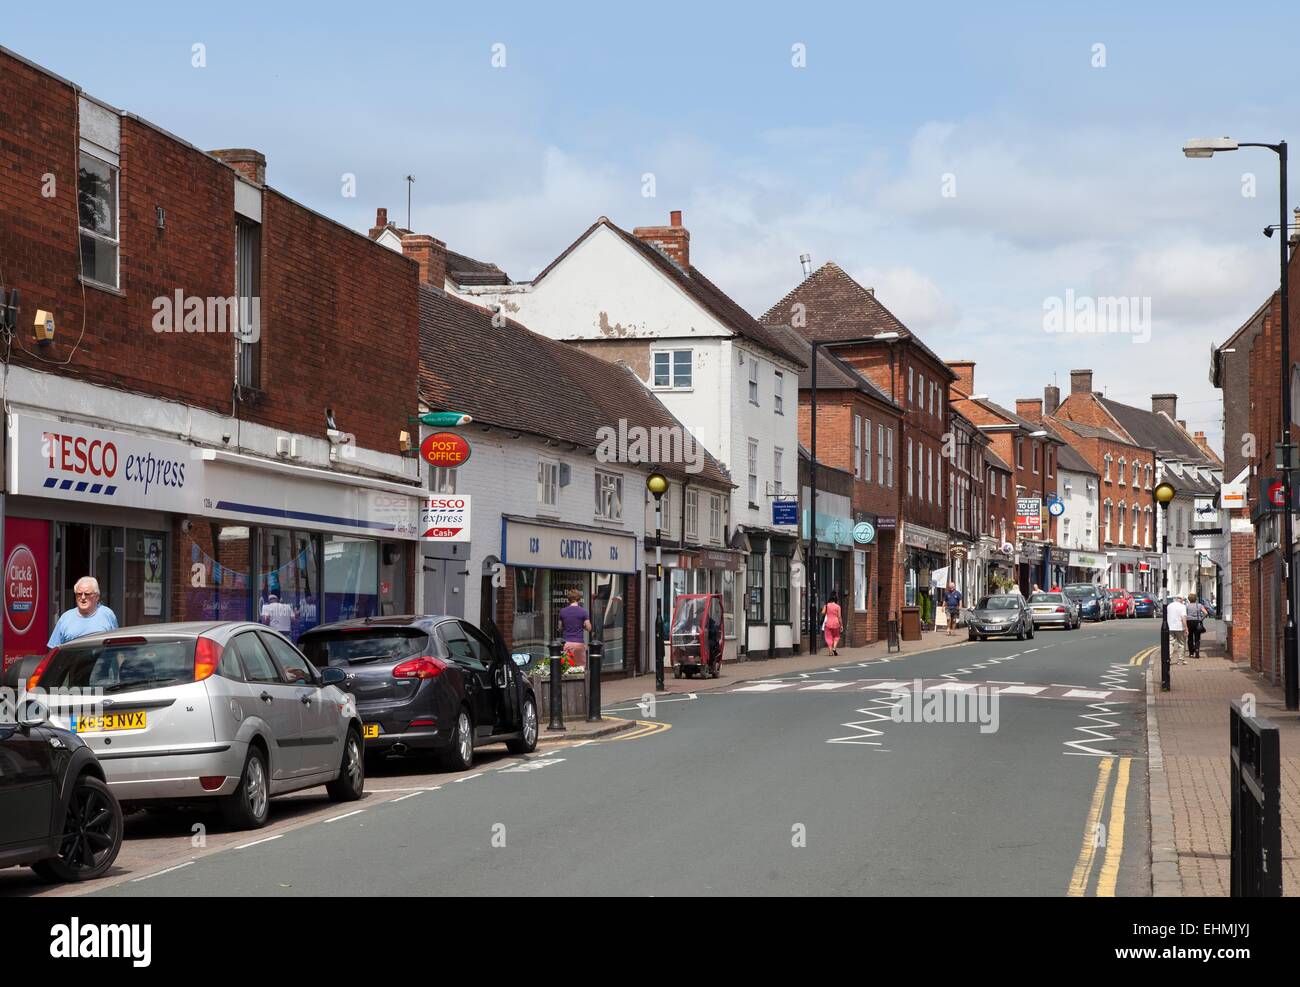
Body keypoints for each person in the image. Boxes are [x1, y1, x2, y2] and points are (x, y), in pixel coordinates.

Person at [47, 576, 119, 647]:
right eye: (79, 594)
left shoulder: (107, 614)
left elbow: (116, 645)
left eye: (87, 594)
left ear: (97, 597)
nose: (83, 597)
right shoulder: (66, 618)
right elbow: (54, 648)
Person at [558, 589, 592, 670]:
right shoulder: (583, 611)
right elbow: (589, 628)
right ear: (579, 599)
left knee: (567, 667)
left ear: (568, 599)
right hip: (579, 643)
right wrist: (582, 626)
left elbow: (559, 628)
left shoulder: (562, 611)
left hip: (567, 643)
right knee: (580, 668)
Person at [1166, 595, 1189, 665]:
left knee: (1170, 643)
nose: (1183, 601)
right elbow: (1183, 618)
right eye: (1183, 599)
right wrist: (1186, 628)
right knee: (1181, 644)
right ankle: (1180, 660)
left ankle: (1168, 659)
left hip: (1170, 627)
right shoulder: (1182, 606)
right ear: (1180, 599)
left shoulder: (1169, 606)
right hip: (1180, 628)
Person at [1186, 592, 1205, 658]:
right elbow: (1206, 613)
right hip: (1197, 621)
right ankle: (1197, 650)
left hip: (1189, 622)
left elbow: (1184, 614)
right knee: (1197, 638)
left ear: (1189, 599)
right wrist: (1201, 619)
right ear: (1195, 599)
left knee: (1190, 638)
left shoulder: (1187, 606)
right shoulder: (1199, 605)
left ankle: (1191, 653)